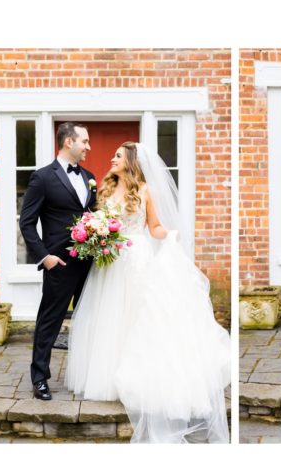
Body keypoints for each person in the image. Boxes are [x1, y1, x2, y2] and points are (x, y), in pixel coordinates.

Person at [65, 142, 230, 444]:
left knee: (139, 313)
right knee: (109, 313)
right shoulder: (105, 189)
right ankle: (107, 377)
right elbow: (99, 222)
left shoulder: (145, 191)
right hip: (110, 261)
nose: (112, 159)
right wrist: (93, 233)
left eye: (117, 156)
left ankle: (136, 377)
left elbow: (153, 227)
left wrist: (170, 236)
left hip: (136, 256)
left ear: (130, 161)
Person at [19, 122, 96, 401]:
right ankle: (39, 378)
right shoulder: (42, 178)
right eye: (84, 141)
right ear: (68, 142)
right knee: (49, 321)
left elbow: (93, 216)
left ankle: (88, 375)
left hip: (89, 263)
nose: (88, 147)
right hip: (59, 263)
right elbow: (27, 224)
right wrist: (45, 257)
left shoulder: (89, 177)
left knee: (89, 319)